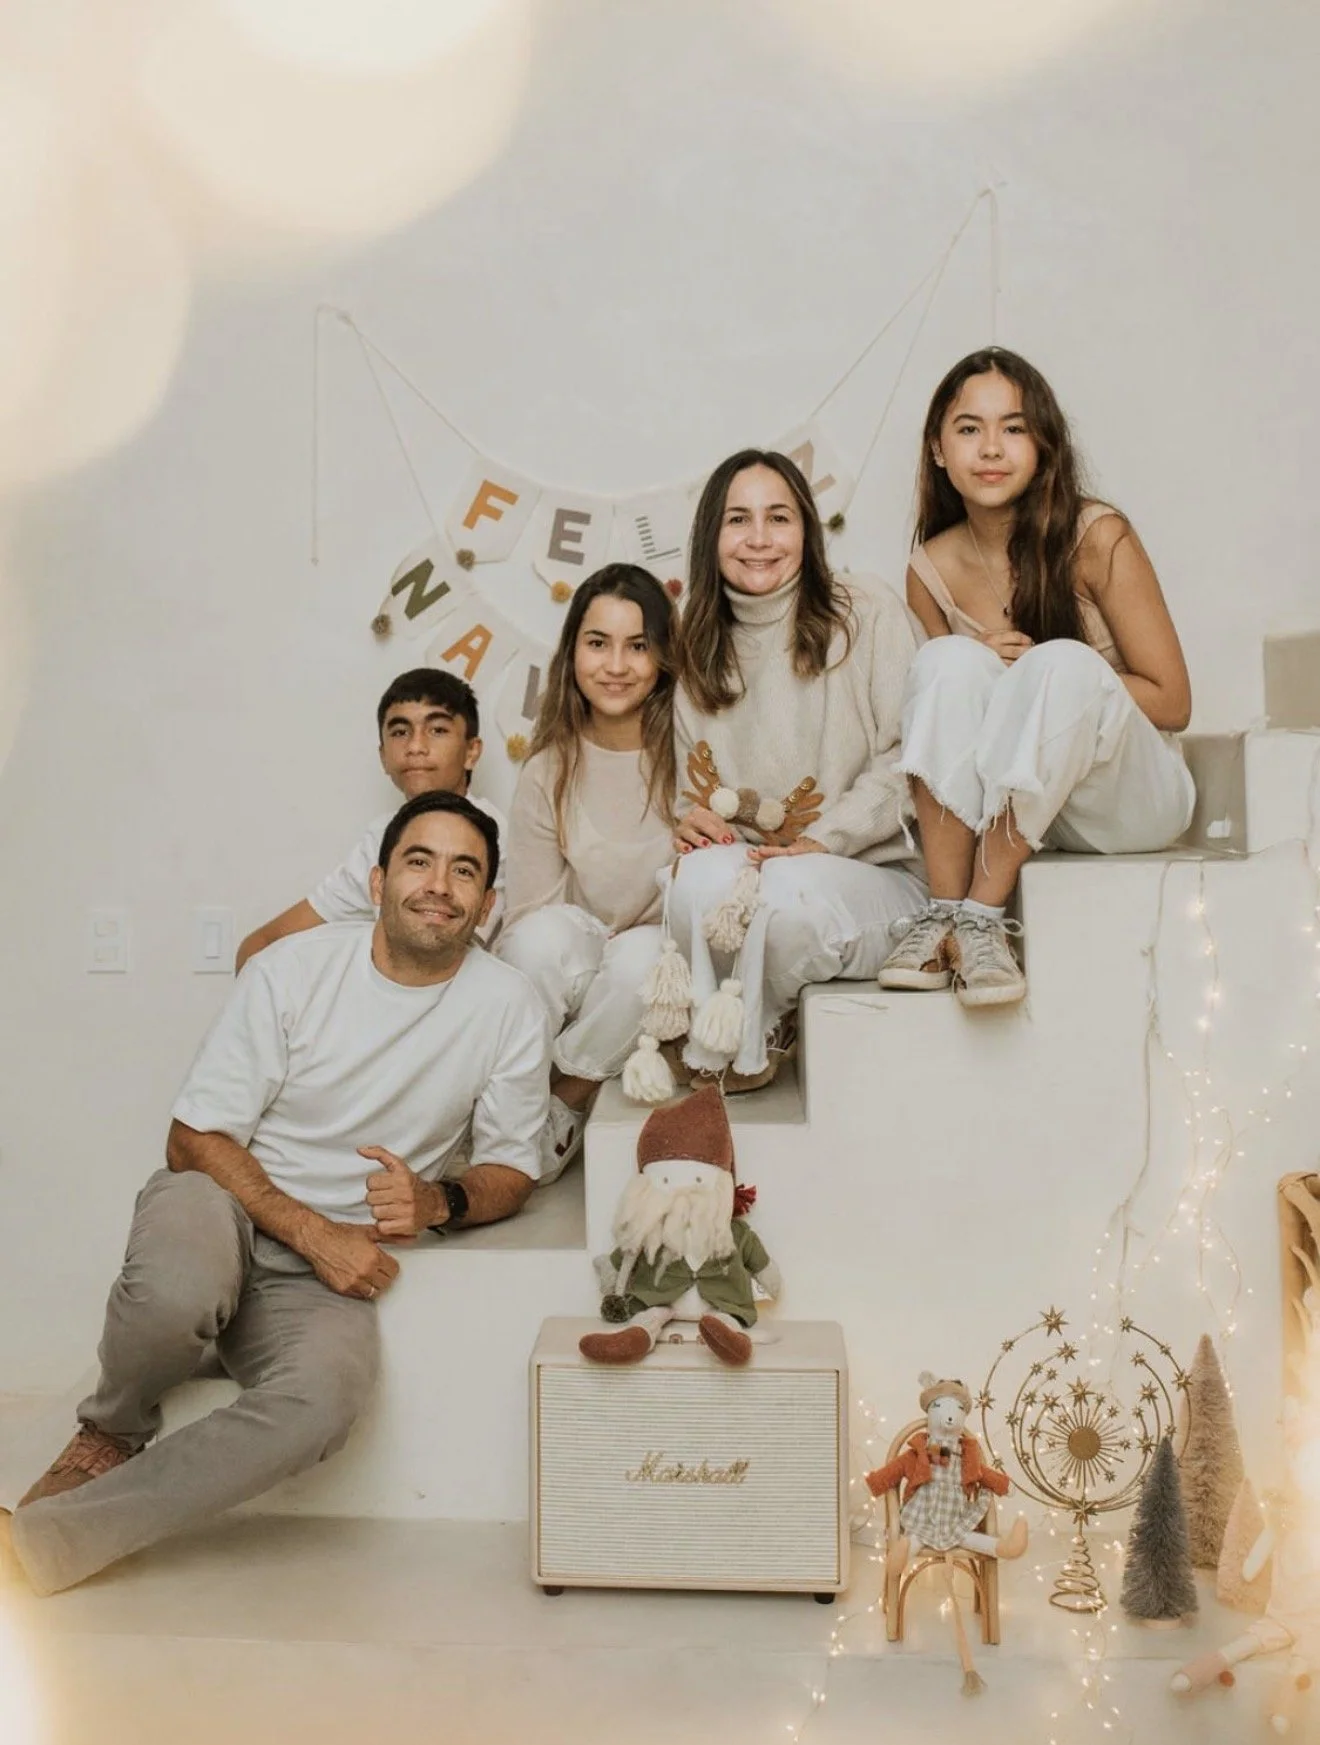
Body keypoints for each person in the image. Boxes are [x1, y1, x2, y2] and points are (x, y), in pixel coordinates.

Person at [1, 791, 548, 1596]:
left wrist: (439, 1201)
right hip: (223, 1205)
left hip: (322, 1278)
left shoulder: (510, 1006)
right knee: (179, 1284)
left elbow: (511, 1169)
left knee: (327, 1398)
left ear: (489, 903)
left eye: (465, 870)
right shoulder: (292, 969)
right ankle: (113, 1425)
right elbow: (192, 1138)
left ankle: (41, 1548)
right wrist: (312, 1229)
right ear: (377, 880)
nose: (440, 884)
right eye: (419, 861)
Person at [878, 347, 1194, 1007]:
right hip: (1023, 807)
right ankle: (944, 912)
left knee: (1059, 661)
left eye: (1014, 427)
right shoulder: (928, 568)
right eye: (969, 428)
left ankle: (981, 919)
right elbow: (951, 733)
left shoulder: (1097, 535)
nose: (991, 447)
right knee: (945, 660)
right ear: (938, 448)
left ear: (1043, 444)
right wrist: (990, 672)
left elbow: (1172, 701)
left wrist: (1033, 674)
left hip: (1129, 800)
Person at [665, 449, 926, 1091]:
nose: (759, 540)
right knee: (693, 881)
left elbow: (910, 762)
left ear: (806, 530)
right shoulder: (696, 647)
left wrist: (820, 841)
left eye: (778, 518)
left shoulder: (865, 611)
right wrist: (695, 828)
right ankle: (727, 1025)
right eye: (738, 521)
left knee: (785, 902)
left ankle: (756, 1028)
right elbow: (695, 789)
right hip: (761, 872)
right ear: (711, 537)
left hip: (875, 874)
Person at [497, 564, 677, 1175]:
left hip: (655, 955)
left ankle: (562, 1106)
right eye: (598, 643)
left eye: (638, 645)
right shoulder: (548, 768)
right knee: (538, 940)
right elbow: (529, 921)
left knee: (641, 962)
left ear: (663, 658)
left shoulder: (696, 756)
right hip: (575, 955)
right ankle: (507, 1111)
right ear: (573, 651)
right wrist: (591, 946)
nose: (617, 665)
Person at [235, 668, 504, 970]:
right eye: (400, 732)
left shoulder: (496, 839)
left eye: (437, 730)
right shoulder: (381, 837)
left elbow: (441, 955)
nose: (415, 746)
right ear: (383, 757)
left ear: (471, 751)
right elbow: (261, 944)